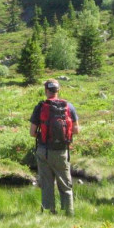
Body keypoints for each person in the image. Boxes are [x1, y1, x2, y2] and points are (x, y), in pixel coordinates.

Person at [29, 79, 80, 216]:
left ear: (46, 91)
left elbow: (32, 133)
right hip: (62, 152)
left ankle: (49, 211)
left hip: (44, 150)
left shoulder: (40, 107)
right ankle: (69, 211)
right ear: (58, 90)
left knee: (47, 183)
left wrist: (44, 134)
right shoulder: (69, 106)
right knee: (65, 183)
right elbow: (76, 130)